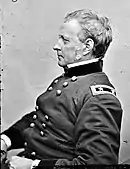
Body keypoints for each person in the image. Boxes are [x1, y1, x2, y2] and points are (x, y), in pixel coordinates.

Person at [1, 9, 123, 168]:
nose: (56, 46)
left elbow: (98, 164)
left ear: (87, 47)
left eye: (65, 40)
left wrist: (33, 166)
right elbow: (44, 120)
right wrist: (5, 140)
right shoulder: (70, 78)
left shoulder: (99, 98)